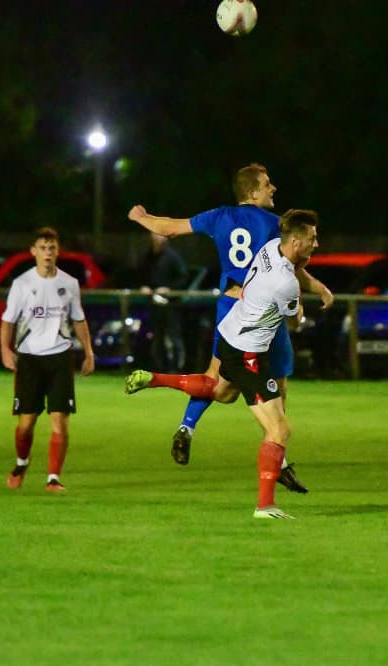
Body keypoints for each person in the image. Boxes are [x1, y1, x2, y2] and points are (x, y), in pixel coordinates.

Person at [127, 163, 333, 492]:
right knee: (274, 384)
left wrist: (142, 218)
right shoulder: (273, 224)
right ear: (252, 192)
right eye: (267, 184)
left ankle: (187, 426)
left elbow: (170, 228)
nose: (273, 188)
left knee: (218, 382)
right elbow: (291, 266)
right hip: (265, 311)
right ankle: (277, 464)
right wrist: (318, 289)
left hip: (229, 305)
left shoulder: (219, 216)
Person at [1, 227, 95, 492]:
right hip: (29, 358)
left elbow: (78, 319)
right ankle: (21, 462)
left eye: (52, 248)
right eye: (43, 248)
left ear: (58, 251)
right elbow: (7, 321)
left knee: (59, 421)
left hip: (60, 357)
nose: (48, 253)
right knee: (26, 424)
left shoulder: (69, 283)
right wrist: (5, 350)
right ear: (33, 251)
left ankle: (53, 478)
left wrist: (89, 352)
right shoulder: (22, 284)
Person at [140, 231, 188, 372]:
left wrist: (169, 289)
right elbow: (141, 275)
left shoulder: (173, 257)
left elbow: (183, 278)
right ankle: (159, 368)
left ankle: (177, 369)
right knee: (157, 337)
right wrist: (144, 287)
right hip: (154, 304)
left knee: (174, 337)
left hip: (171, 304)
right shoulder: (148, 257)